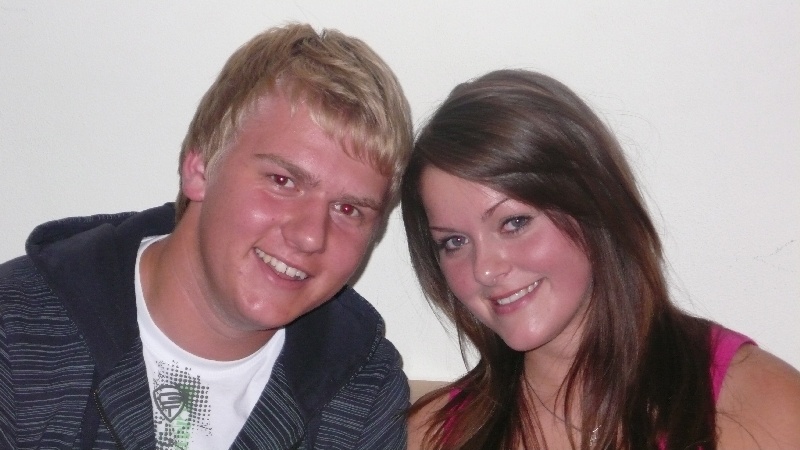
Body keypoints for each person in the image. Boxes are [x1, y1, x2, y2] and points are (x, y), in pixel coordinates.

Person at [0, 23, 413, 449]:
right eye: (283, 181)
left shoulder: (362, 394)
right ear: (199, 169)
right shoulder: (16, 332)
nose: (310, 236)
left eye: (349, 209)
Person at [401, 69, 800, 449]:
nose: (485, 269)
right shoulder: (431, 436)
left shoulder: (760, 405)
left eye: (514, 222)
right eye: (454, 242)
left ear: (594, 204)